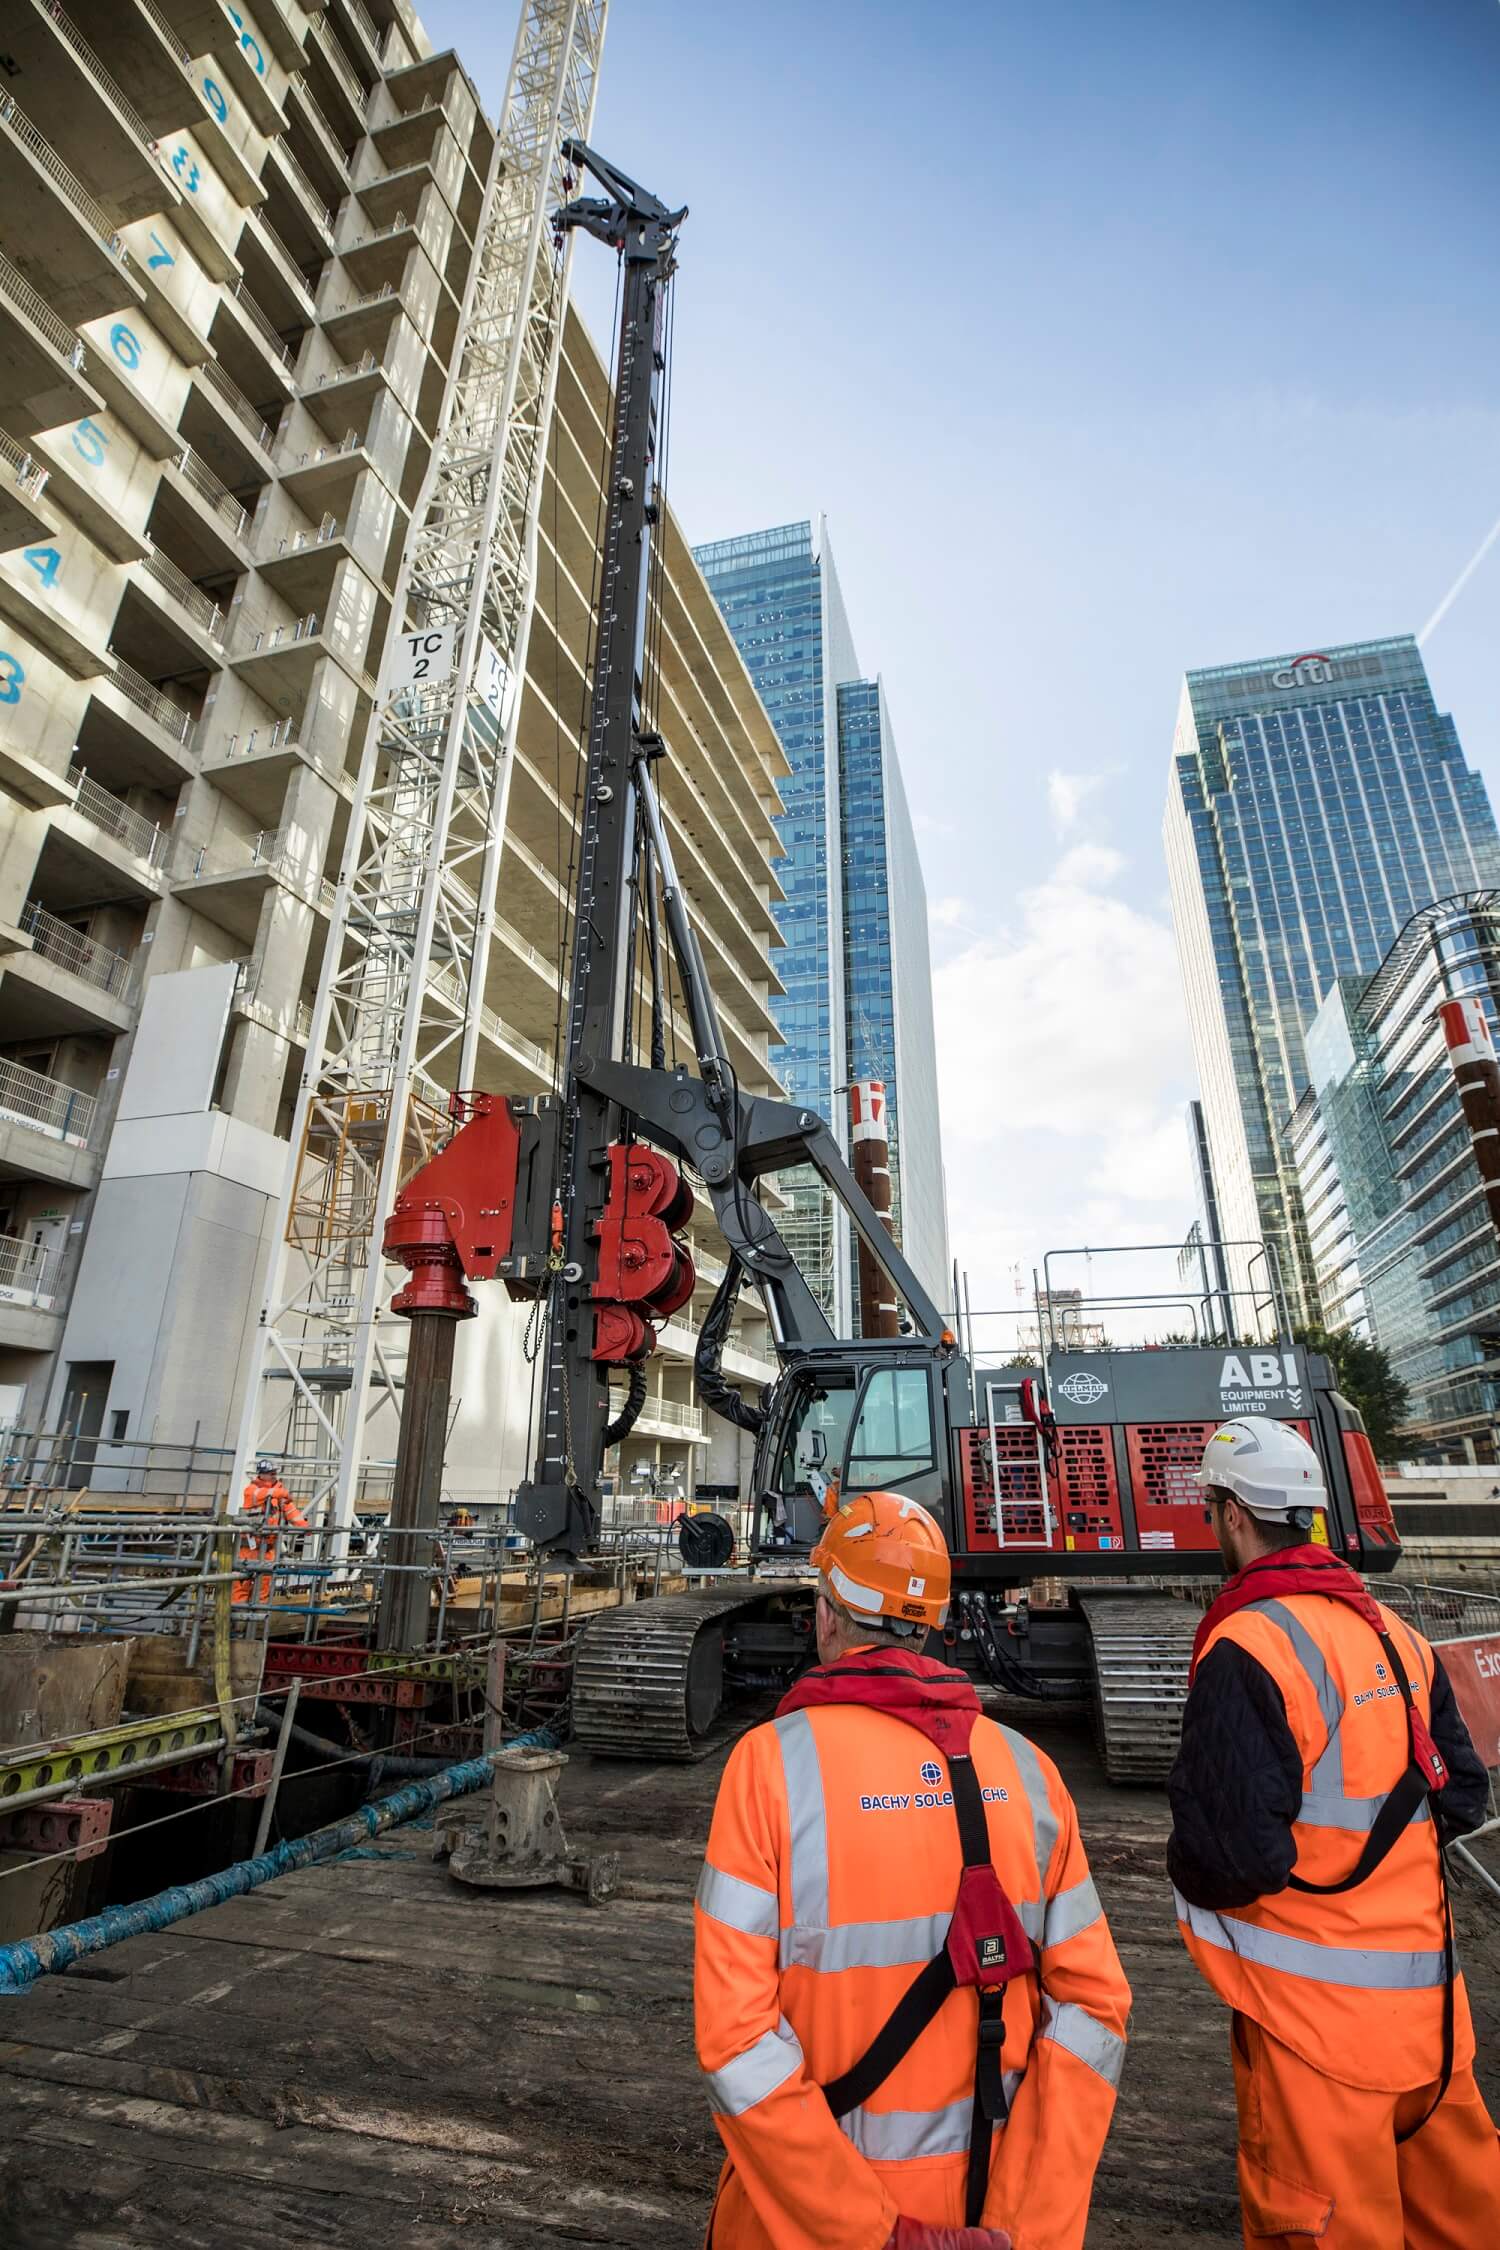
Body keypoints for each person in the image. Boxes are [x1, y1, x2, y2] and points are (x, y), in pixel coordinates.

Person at [694, 1488, 1131, 2250]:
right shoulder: (1030, 1774)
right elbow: (1095, 2015)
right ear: (932, 1627)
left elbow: (736, 2043)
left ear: (828, 1612)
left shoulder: (769, 1770)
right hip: (995, 2203)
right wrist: (1026, 2227)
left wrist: (867, 2232)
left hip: (814, 2218)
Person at [1168, 1415, 1500, 2249]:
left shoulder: (1250, 1646)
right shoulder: (1398, 1635)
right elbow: (1460, 1795)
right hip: (1434, 2026)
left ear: (1234, 1514)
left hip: (1317, 2039)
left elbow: (1232, 1857)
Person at [232, 1458, 309, 1607]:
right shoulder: (252, 1490)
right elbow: (262, 1494)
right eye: (270, 1473)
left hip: (268, 1547)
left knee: (264, 1582)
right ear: (261, 1474)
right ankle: (237, 1613)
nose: (274, 1476)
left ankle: (257, 1615)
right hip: (249, 1547)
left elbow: (291, 1512)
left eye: (275, 1473)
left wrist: (305, 1527)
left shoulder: (278, 1494)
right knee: (242, 1582)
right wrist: (283, 1493)